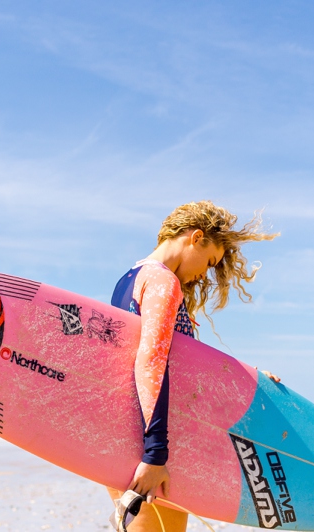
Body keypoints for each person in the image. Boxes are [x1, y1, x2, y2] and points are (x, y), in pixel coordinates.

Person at [106, 201, 278, 532]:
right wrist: (155, 455)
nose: (205, 273)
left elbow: (183, 364)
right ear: (196, 237)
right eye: (210, 261)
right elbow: (151, 361)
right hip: (147, 445)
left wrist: (247, 379)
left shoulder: (128, 279)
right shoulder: (162, 282)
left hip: (123, 435)